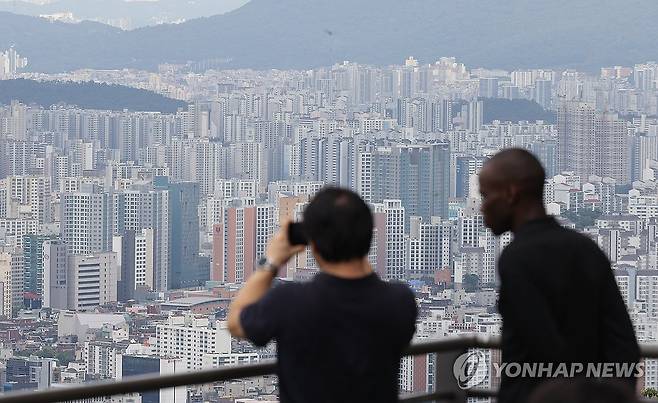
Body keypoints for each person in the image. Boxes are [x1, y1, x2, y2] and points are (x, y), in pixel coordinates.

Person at [478, 148, 640, 403]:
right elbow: (624, 345)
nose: (482, 208)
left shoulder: (517, 258)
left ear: (511, 193)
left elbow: (544, 349)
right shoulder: (586, 249)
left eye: (486, 195)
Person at [227, 187, 417, 403]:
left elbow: (236, 322)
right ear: (369, 234)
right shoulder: (400, 302)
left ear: (313, 245)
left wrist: (270, 262)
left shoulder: (289, 302)